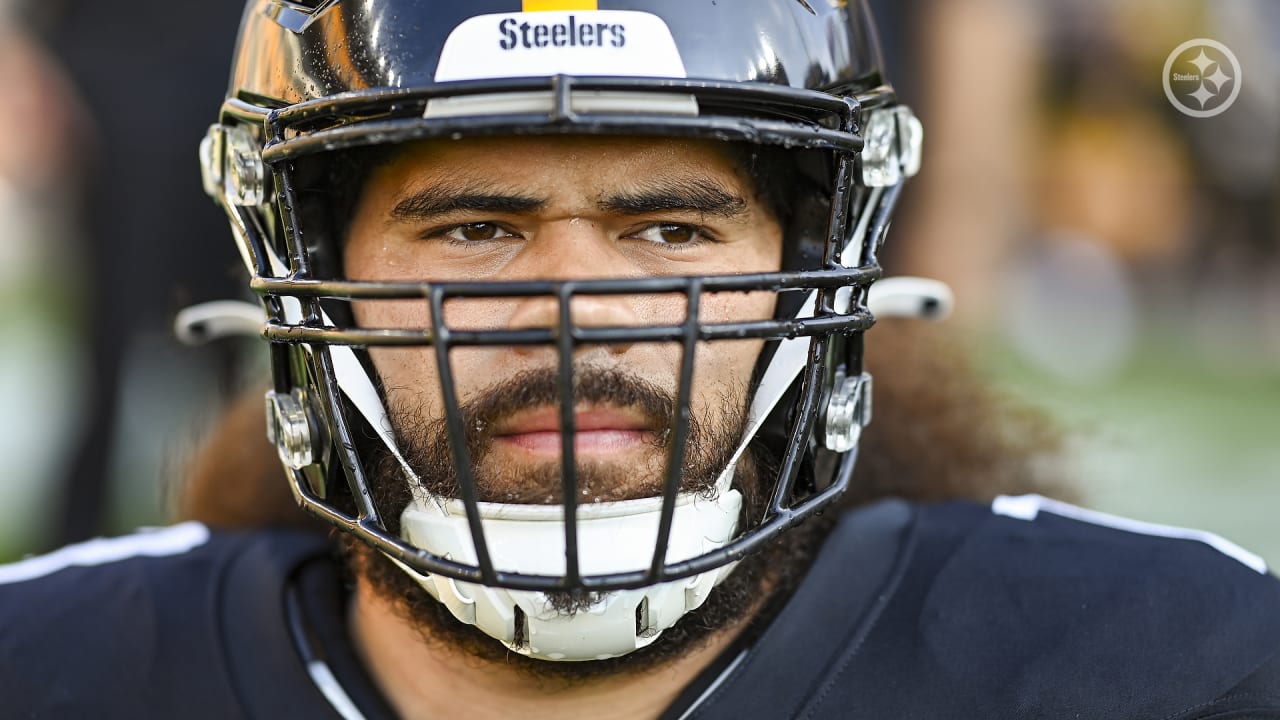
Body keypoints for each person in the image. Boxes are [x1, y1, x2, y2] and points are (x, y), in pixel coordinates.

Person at [3, 2, 1279, 718]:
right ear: (306, 272)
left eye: (670, 227)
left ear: (814, 265)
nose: (574, 306)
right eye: (474, 228)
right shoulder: (59, 667)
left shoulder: (1170, 667)